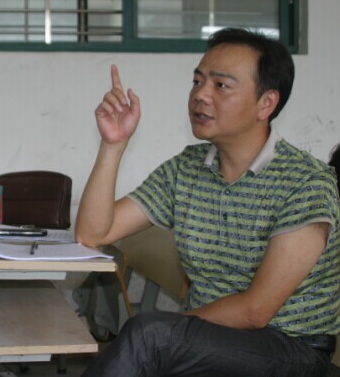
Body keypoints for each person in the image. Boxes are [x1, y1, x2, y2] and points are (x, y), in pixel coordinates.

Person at [76, 28, 340, 376]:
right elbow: (93, 234)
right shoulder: (188, 167)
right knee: (149, 337)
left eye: (221, 85)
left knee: (148, 337)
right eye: (197, 81)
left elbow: (256, 311)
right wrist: (113, 145)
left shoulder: (306, 182)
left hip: (291, 347)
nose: (200, 95)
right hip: (208, 337)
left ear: (266, 103)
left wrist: (169, 331)